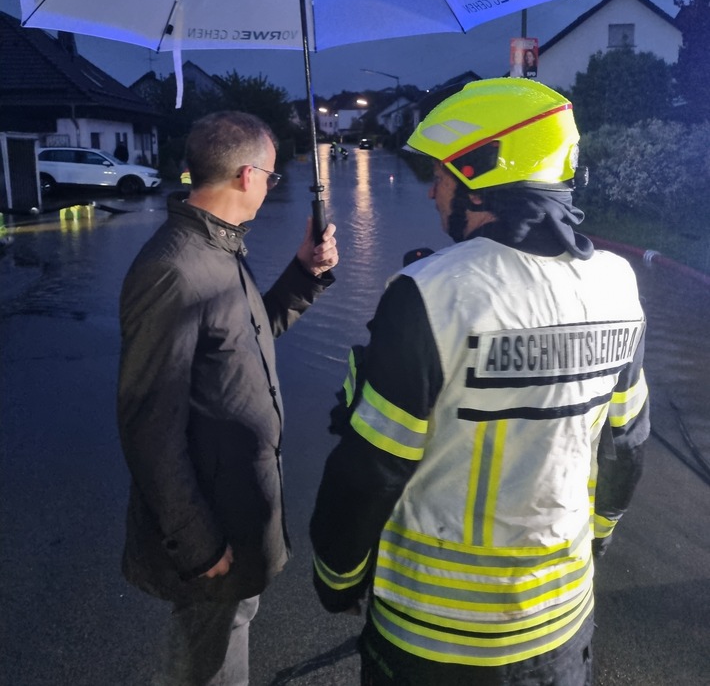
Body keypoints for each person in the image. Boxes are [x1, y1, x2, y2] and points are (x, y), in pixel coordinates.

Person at [310, 78, 649, 686]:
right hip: (560, 626)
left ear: (485, 176)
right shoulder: (619, 285)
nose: (435, 190)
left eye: (443, 174)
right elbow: (624, 447)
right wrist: (594, 544)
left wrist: (336, 575)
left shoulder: (429, 293)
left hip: (430, 638)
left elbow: (372, 466)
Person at [117, 110, 338, 686]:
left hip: (237, 502)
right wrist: (197, 544)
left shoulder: (218, 248)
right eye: (269, 174)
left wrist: (304, 273)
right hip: (211, 521)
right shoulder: (175, 269)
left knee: (229, 629)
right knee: (208, 658)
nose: (272, 185)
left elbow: (245, 337)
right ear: (245, 175)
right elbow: (148, 424)